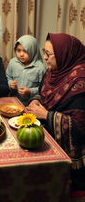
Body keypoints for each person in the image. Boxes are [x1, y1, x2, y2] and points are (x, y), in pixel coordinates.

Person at [26, 33, 85, 191]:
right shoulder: (54, 70)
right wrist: (35, 99)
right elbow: (43, 93)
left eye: (49, 54)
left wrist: (46, 115)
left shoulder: (80, 81)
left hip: (71, 150)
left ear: (65, 54)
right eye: (44, 52)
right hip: (47, 131)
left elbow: (79, 127)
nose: (45, 58)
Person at [6, 35, 46, 106]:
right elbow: (7, 77)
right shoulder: (13, 62)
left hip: (30, 104)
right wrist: (10, 83)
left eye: (25, 51)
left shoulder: (40, 68)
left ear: (33, 51)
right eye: (18, 50)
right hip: (13, 102)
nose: (21, 54)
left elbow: (44, 89)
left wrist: (30, 91)